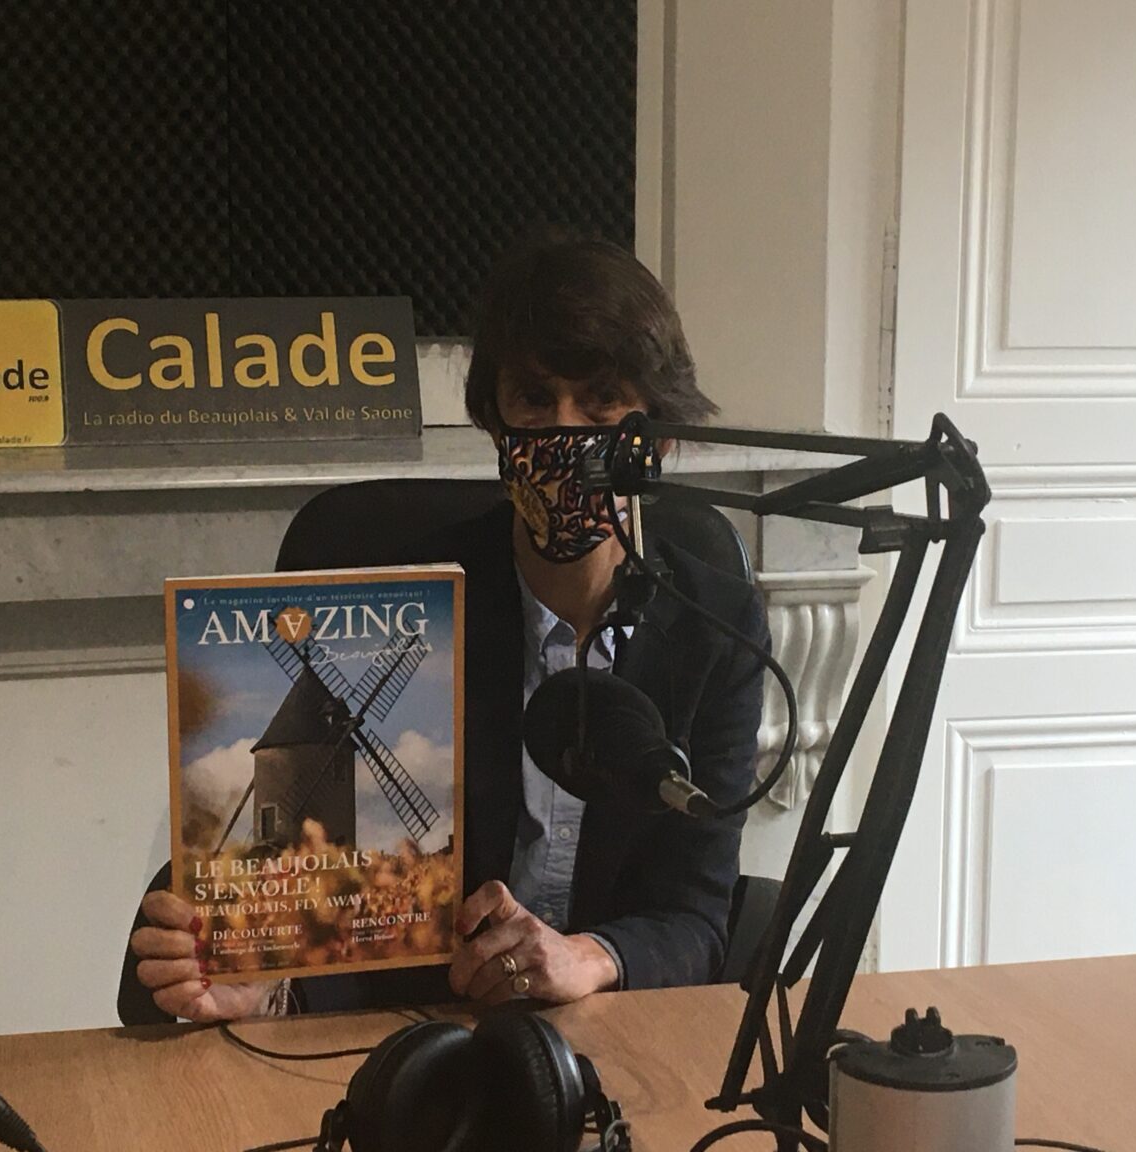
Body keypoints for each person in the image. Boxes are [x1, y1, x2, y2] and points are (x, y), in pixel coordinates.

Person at [126, 237, 769, 1022]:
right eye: (534, 399)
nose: (563, 432)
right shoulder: (412, 611)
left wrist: (586, 957)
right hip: (423, 1031)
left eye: (602, 400)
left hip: (610, 1029)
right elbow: (365, 919)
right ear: (495, 423)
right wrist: (268, 982)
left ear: (656, 436)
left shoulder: (719, 626)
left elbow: (696, 917)